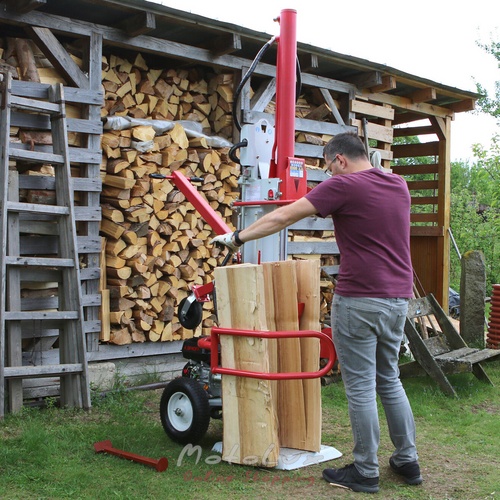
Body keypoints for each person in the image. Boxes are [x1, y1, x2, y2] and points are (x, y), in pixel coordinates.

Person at [210, 131, 422, 494]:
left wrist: (236, 238)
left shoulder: (345, 186)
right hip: (398, 299)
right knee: (389, 379)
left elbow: (284, 216)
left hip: (359, 299)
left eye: (328, 166)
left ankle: (366, 470)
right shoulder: (397, 184)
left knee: (359, 386)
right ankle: (408, 460)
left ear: (340, 159)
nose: (328, 174)